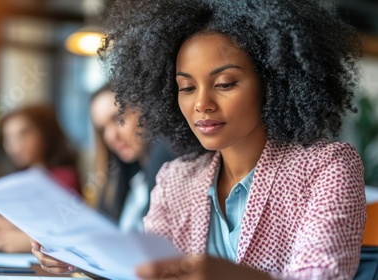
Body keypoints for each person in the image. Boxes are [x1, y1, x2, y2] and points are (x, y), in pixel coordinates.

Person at [33, 0, 366, 279]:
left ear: (272, 81)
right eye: (187, 88)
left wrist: (235, 277)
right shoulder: (176, 179)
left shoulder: (327, 167)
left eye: (224, 83)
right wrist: (82, 259)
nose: (201, 104)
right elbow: (145, 272)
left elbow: (323, 273)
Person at [0, 104, 81, 253]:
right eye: (8, 138)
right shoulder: (18, 180)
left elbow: (61, 228)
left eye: (24, 134)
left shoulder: (64, 177)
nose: (15, 146)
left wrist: (21, 238)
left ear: (44, 133)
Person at [89, 85, 174, 232]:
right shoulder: (129, 182)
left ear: (145, 109)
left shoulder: (168, 167)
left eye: (118, 119)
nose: (110, 137)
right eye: (102, 129)